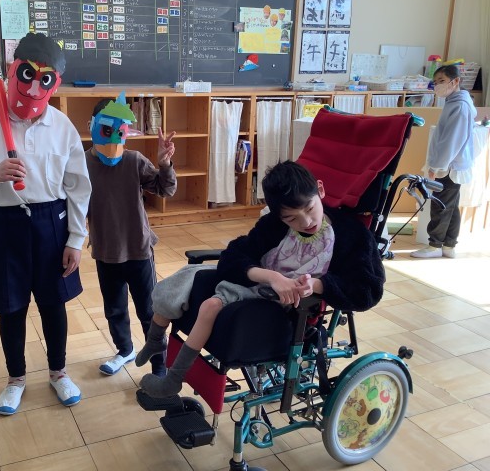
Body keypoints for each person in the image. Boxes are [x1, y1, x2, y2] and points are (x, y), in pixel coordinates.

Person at [137, 161, 385, 398]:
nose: (306, 222)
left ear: (320, 189)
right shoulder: (274, 225)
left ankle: (173, 379)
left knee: (210, 305)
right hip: (261, 283)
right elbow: (235, 255)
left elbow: (368, 290)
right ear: (279, 216)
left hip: (289, 307)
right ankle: (158, 344)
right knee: (186, 280)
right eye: (291, 219)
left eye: (310, 209)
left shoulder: (351, 235)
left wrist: (318, 285)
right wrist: (272, 277)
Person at [0, 32, 92, 415]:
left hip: (52, 223)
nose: (33, 88)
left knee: (53, 303)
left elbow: (78, 187)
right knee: (10, 306)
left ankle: (58, 371)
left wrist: (76, 239)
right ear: (13, 70)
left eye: (44, 80)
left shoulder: (62, 126)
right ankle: (15, 378)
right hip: (2, 223)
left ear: (54, 84)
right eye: (28, 75)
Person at [85, 93, 177, 377]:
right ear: (93, 126)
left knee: (149, 311)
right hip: (105, 252)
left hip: (138, 250)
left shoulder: (134, 160)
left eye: (121, 132)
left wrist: (164, 164)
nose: (114, 139)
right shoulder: (82, 163)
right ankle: (124, 350)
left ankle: (160, 365)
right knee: (114, 309)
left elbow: (165, 189)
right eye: (107, 130)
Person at [411, 64, 477, 259]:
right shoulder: (454, 102)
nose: (438, 85)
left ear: (455, 81)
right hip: (452, 164)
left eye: (442, 81)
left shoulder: (459, 106)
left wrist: (436, 166)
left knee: (440, 204)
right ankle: (448, 245)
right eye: (435, 81)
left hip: (449, 166)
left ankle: (435, 245)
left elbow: (451, 141)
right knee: (451, 205)